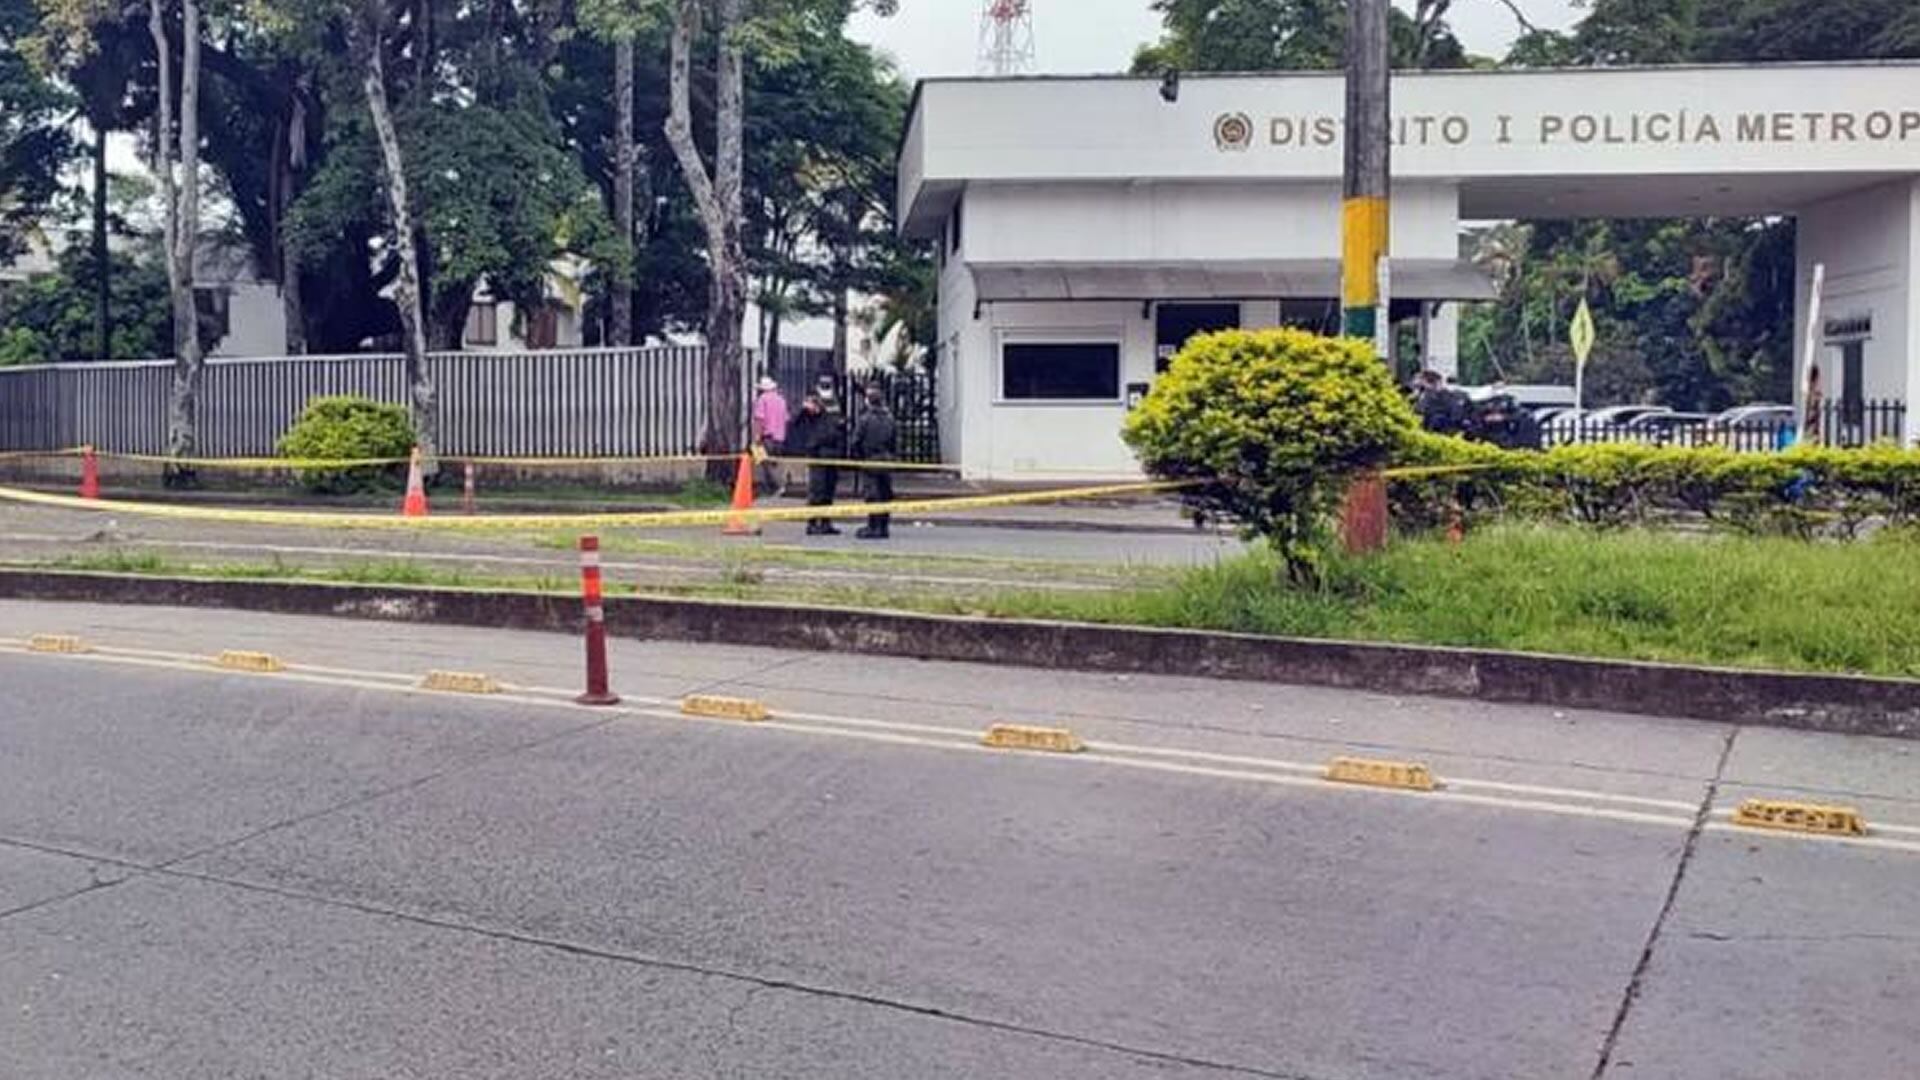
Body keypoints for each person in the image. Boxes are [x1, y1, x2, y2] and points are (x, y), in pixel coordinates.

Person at [787, 391, 845, 535]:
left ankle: (826, 522)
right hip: (817, 457)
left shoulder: (829, 416)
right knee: (816, 491)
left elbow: (838, 432)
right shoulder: (807, 417)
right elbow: (794, 423)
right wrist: (804, 410)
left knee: (828, 492)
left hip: (831, 457)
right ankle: (812, 523)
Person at [849, 384, 898, 540]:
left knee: (873, 494)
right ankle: (883, 526)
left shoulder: (865, 419)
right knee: (885, 493)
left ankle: (873, 526)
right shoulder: (890, 418)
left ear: (868, 401)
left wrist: (858, 458)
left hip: (870, 460)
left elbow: (855, 441)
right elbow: (894, 441)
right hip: (886, 460)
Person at [1411, 370, 1470, 434]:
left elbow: (1455, 418)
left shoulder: (1448, 397)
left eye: (1421, 387)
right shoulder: (1420, 398)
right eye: (1416, 387)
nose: (1416, 390)